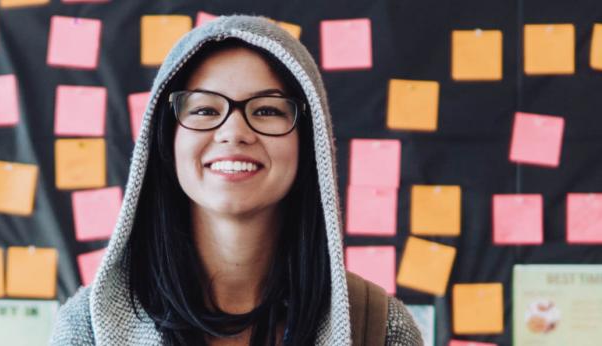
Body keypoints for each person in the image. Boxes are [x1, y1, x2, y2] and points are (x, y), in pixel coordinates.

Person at [50, 15, 423, 345]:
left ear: (311, 143)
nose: (233, 132)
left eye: (266, 110)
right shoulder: (87, 329)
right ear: (166, 139)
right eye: (204, 109)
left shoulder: (380, 328)